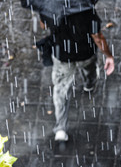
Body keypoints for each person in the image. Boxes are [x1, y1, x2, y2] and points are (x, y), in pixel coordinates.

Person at [39, 9, 114, 142]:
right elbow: (97, 36)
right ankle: (89, 85)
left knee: (61, 90)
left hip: (62, 55)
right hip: (86, 52)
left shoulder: (49, 6)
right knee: (89, 69)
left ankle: (61, 129)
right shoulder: (85, 9)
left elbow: (43, 26)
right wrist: (108, 55)